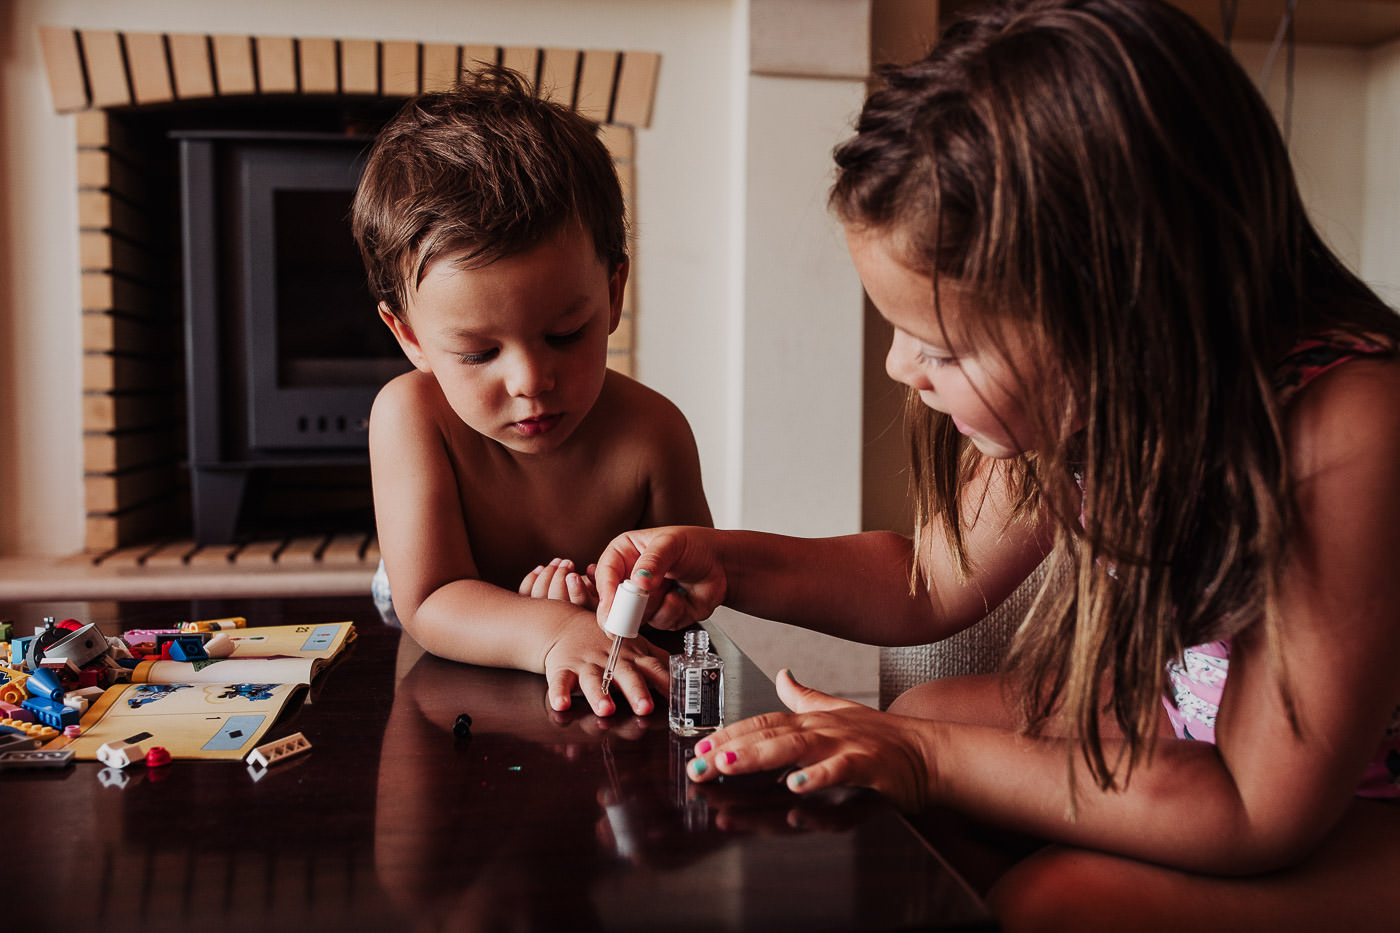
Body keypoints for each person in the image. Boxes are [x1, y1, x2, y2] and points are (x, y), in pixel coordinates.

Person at [594, 0, 1400, 927]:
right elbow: (927, 581)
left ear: (1113, 314)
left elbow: (1257, 805)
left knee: (1059, 902)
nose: (900, 368)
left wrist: (927, 758)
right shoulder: (1095, 403)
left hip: (1339, 797)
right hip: (1201, 726)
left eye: (940, 345)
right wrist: (726, 561)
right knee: (927, 712)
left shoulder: (1347, 426)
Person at [353, 66, 712, 718]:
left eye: (564, 334)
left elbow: (692, 584)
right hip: (445, 624)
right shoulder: (411, 416)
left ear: (612, 295)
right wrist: (551, 628)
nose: (529, 381)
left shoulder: (654, 433)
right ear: (409, 336)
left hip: (594, 649)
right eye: (478, 353)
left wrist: (653, 600)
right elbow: (430, 601)